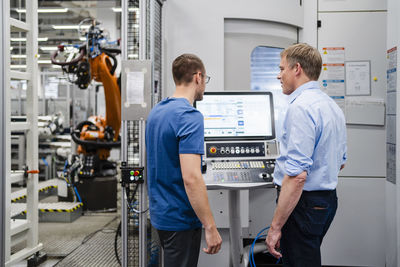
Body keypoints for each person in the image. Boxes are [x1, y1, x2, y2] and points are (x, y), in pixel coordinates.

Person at [265, 43, 347, 266]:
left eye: (282, 69)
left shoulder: (301, 107)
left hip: (304, 205)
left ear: (297, 69)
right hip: (326, 201)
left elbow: (298, 176)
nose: (278, 75)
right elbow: (340, 163)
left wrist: (275, 228)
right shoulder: (331, 106)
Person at [145, 53, 222, 267]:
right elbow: (191, 178)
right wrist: (210, 227)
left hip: (161, 215)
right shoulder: (190, 116)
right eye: (205, 80)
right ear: (198, 77)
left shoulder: (156, 112)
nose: (204, 85)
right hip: (181, 219)